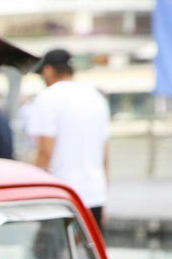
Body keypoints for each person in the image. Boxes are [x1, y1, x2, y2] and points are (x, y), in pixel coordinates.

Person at [23, 48, 110, 227]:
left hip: (60, 197)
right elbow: (105, 156)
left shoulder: (47, 97)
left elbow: (45, 153)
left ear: (48, 70)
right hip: (94, 195)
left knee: (47, 253)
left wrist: (31, 197)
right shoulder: (96, 98)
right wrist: (104, 198)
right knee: (88, 253)